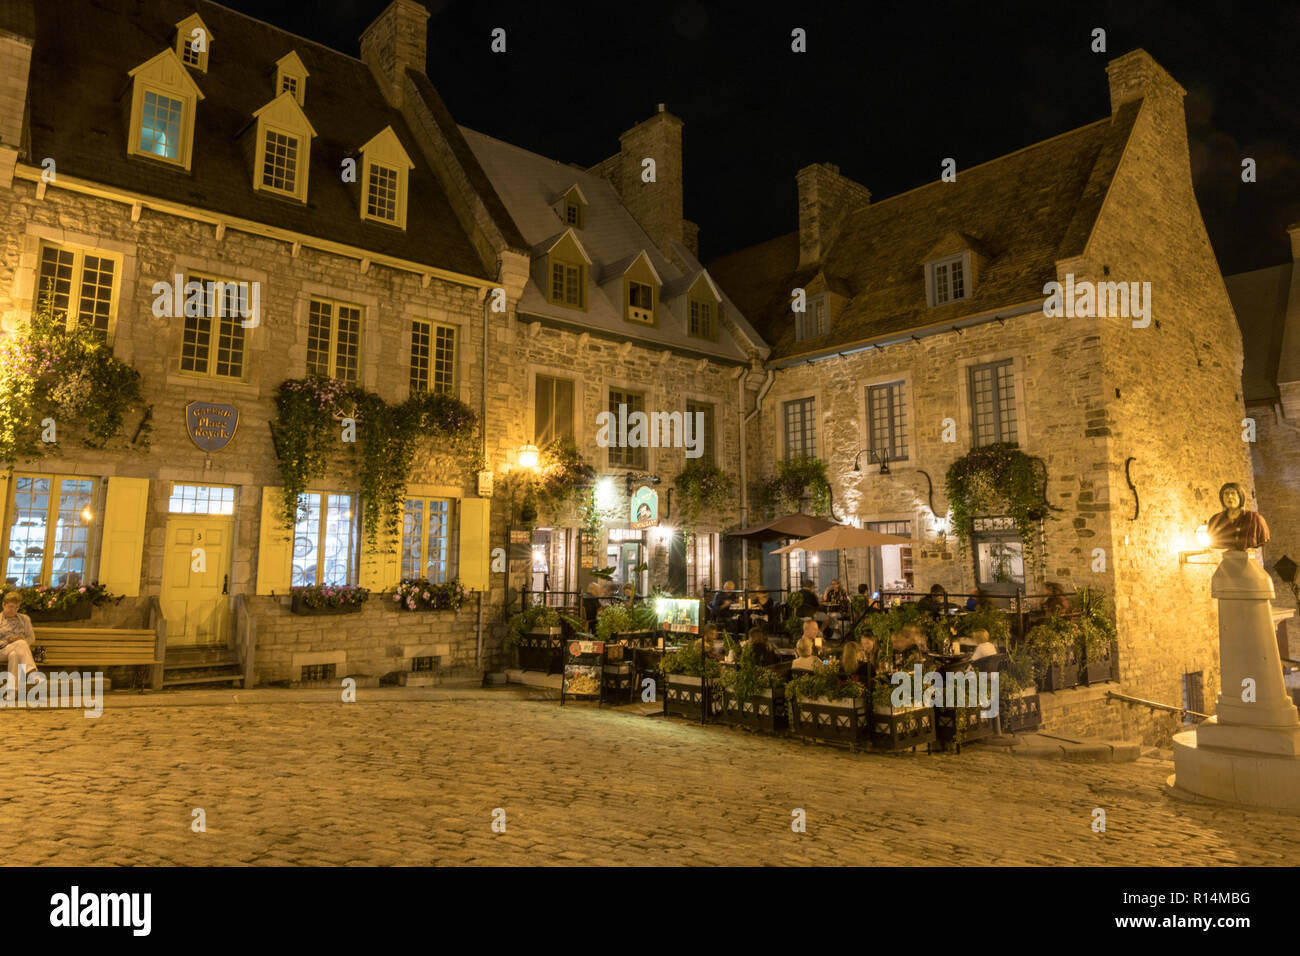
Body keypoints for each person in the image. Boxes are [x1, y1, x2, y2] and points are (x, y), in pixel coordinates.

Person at [1206, 481, 1270, 550]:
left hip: (1244, 558)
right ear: (1222, 498)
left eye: (1233, 493)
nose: (1229, 496)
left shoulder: (1255, 519)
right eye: (1226, 493)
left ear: (1240, 496)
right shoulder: (1215, 520)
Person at [0, 590, 44, 689]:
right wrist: (9, 641)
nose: (14, 610)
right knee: (20, 643)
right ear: (3, 605)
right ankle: (32, 673)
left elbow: (31, 638)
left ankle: (12, 690)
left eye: (16, 607)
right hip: (1, 651)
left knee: (14, 654)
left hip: (19, 651)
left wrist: (20, 641)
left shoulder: (24, 619)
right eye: (11, 607)